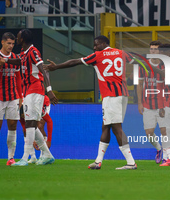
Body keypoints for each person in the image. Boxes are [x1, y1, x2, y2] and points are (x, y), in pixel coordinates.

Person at [45, 35, 137, 170]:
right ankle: (98, 161)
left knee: (116, 128)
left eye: (97, 44)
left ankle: (131, 162)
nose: (94, 47)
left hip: (111, 96)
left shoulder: (98, 55)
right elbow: (138, 62)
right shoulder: (121, 53)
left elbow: (75, 62)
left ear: (105, 43)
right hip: (122, 94)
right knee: (106, 127)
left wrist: (56, 67)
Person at [0, 29, 57, 166]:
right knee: (31, 124)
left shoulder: (33, 51)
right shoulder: (24, 53)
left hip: (35, 90)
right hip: (28, 91)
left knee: (30, 123)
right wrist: (5, 60)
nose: (16, 39)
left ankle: (24, 158)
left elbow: (43, 70)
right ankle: (47, 154)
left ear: (22, 39)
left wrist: (49, 90)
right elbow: (20, 61)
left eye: (18, 37)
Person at [0, 32, 23, 166]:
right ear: (2, 42)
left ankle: (11, 157)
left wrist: (21, 96)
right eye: (8, 43)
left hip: (13, 97)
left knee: (12, 126)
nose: (11, 46)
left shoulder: (15, 58)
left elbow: (18, 78)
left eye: (13, 44)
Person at [137, 40, 166, 164]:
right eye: (151, 49)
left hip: (163, 105)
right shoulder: (143, 66)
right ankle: (159, 150)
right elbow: (139, 84)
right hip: (148, 104)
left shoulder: (165, 66)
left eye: (155, 49)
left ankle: (167, 157)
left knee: (165, 131)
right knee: (149, 133)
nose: (153, 51)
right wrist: (139, 102)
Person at [18, 95, 54, 164]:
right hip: (29, 100)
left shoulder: (36, 109)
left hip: (42, 101)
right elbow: (25, 127)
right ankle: (33, 157)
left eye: (25, 116)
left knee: (40, 126)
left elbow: (49, 121)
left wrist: (49, 140)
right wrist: (33, 140)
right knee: (27, 129)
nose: (24, 118)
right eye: (23, 117)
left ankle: (43, 156)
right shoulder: (18, 113)